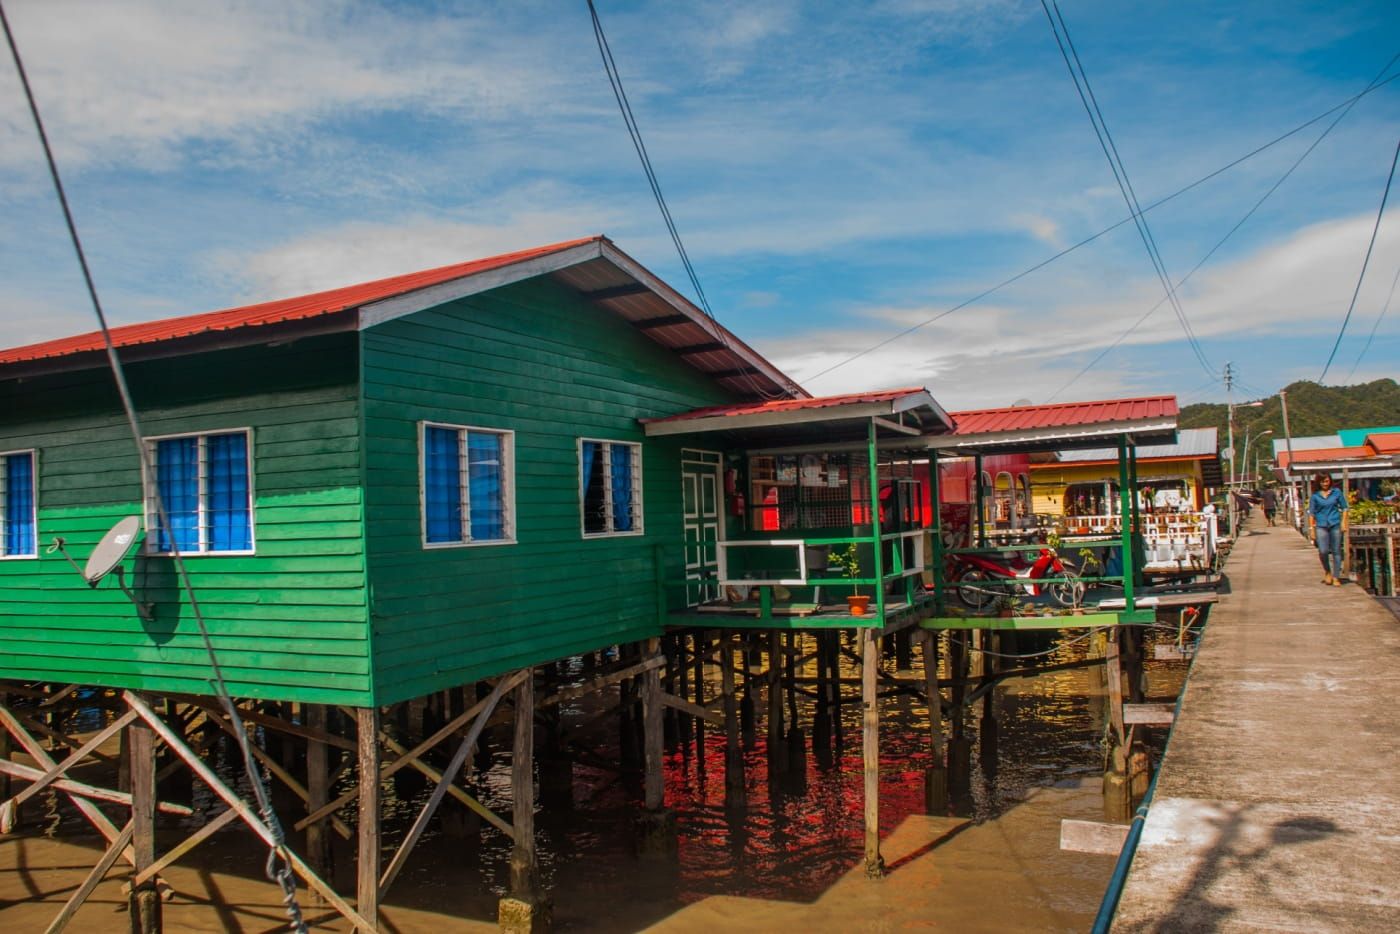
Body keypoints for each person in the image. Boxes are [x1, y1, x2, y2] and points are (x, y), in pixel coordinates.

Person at [1308, 473, 1348, 585]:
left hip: (1335, 523)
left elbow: (1345, 508)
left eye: (1326, 481)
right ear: (1318, 483)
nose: (1325, 484)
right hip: (1321, 525)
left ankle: (1336, 576)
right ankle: (1327, 571)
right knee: (1323, 551)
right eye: (1322, 482)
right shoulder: (1315, 496)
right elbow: (1311, 513)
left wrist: (1343, 523)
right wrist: (1311, 529)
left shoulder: (1336, 492)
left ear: (1330, 481)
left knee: (1336, 551)